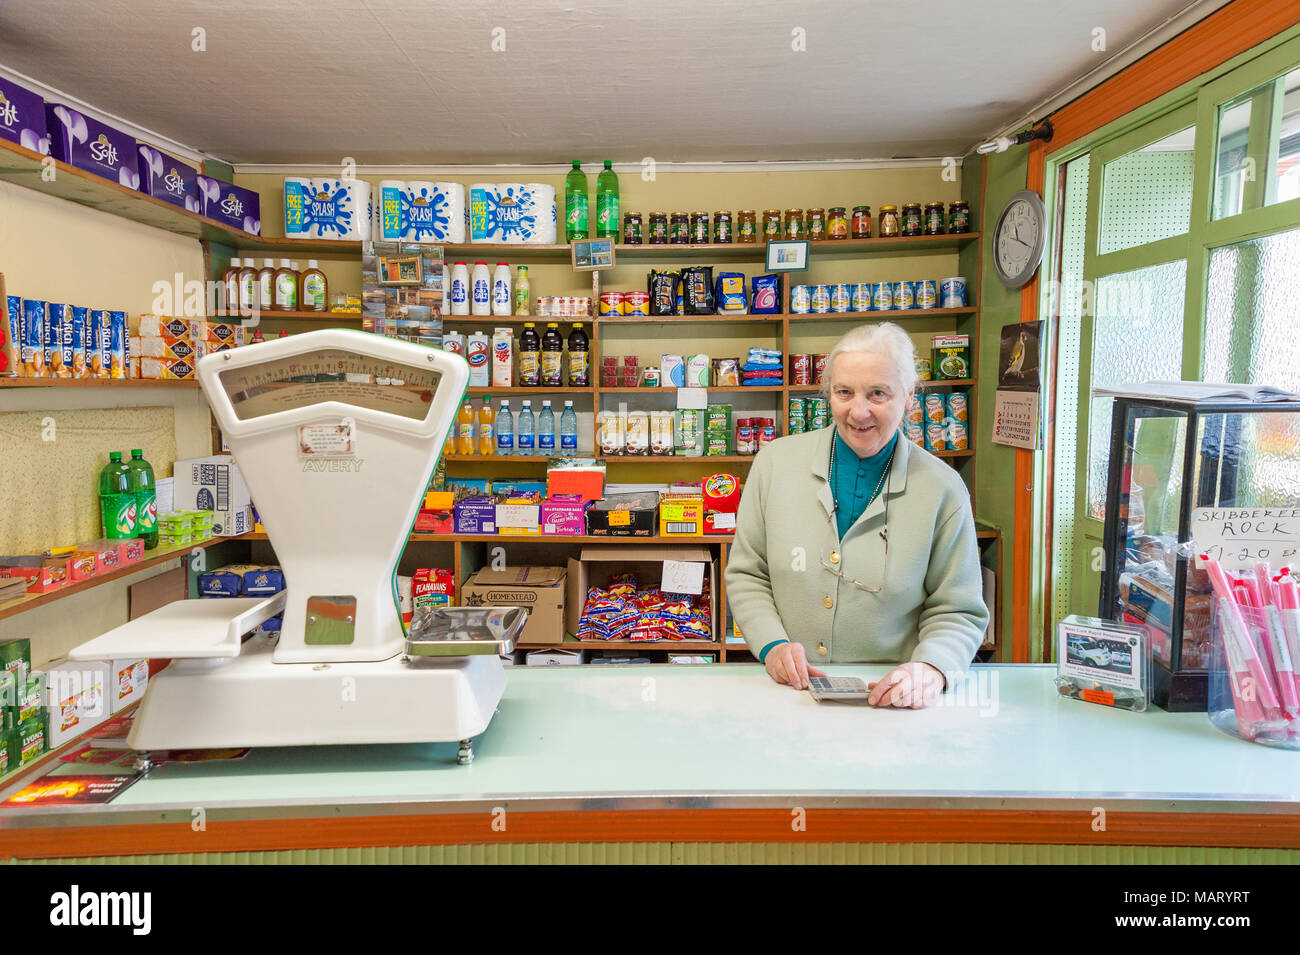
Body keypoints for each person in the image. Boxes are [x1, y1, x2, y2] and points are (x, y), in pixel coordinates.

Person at [725, 322, 988, 708]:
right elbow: (748, 573)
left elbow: (958, 609)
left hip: (891, 698)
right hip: (789, 695)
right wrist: (772, 645)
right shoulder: (774, 464)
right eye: (844, 392)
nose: (858, 411)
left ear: (909, 397)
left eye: (878, 393)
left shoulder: (943, 489)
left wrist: (932, 668)